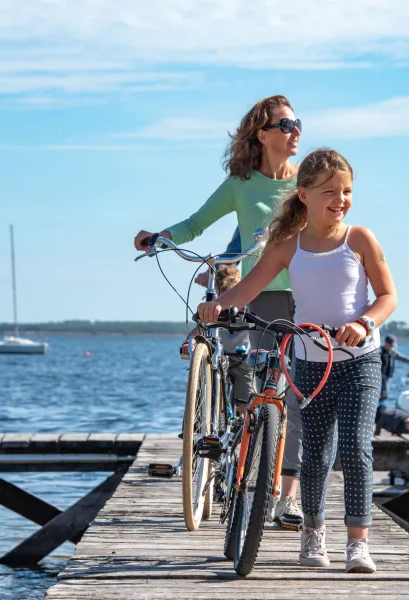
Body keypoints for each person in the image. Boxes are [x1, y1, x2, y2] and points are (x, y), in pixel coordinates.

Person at [197, 148, 398, 573]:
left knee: (355, 447)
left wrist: (363, 323)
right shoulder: (288, 245)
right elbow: (249, 287)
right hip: (309, 361)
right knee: (316, 453)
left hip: (360, 360)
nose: (340, 200)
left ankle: (358, 544)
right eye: (330, 192)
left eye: (347, 191)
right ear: (303, 194)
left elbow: (387, 296)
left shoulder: (360, 239)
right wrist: (218, 305)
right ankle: (313, 533)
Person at [134, 95, 304, 529]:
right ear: (262, 135)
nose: (295, 132)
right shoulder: (240, 185)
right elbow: (196, 224)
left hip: (307, 295)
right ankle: (243, 470)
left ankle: (287, 498)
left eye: (297, 123)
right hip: (261, 294)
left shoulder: (307, 179)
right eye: (286, 125)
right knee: (262, 393)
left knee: (296, 397)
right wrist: (160, 237)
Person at [181, 264, 255, 406]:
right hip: (218, 358)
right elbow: (196, 331)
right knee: (206, 393)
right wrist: (189, 342)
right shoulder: (214, 313)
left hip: (243, 359)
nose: (228, 308)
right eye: (224, 301)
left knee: (247, 402)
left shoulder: (247, 310)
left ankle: (247, 417)